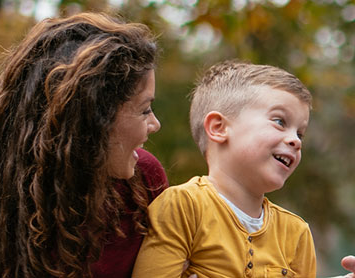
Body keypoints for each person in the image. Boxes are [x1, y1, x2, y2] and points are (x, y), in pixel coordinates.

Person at [0, 13, 166, 277]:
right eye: (144, 110)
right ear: (93, 120)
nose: (155, 123)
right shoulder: (1, 216)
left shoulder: (143, 182)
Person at [132, 61, 316, 277]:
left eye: (300, 133)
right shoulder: (183, 207)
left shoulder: (296, 233)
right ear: (219, 128)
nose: (295, 141)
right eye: (279, 121)